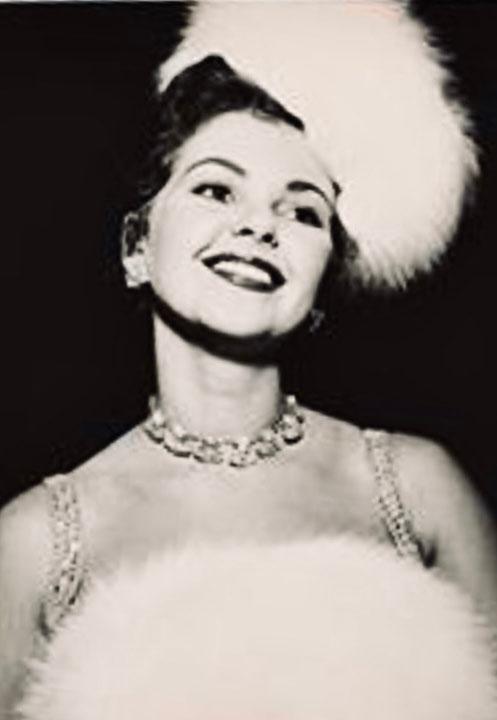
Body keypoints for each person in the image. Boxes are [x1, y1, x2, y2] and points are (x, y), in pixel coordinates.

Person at [1, 1, 496, 718]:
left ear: (321, 285)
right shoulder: (35, 543)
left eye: (302, 211)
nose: (259, 225)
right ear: (137, 248)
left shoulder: (419, 489)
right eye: (215, 189)